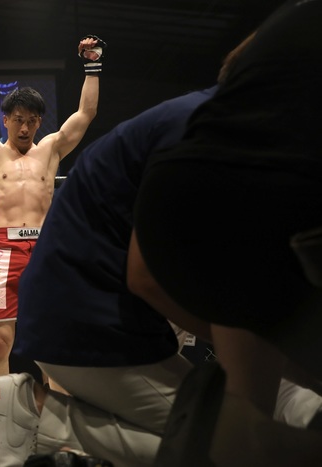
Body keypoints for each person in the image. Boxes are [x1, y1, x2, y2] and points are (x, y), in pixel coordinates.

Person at [0, 30, 322, 467]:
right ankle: (51, 421)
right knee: (232, 439)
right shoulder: (213, 131)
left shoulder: (222, 126)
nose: (24, 126)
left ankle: (56, 420)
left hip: (83, 292)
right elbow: (154, 275)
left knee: (273, 409)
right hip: (78, 301)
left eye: (31, 119)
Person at [130, 0, 322, 464]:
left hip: (170, 207)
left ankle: (242, 431)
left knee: (251, 389)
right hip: (266, 203)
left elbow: (138, 272)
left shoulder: (217, 107)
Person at [0, 34, 104, 377]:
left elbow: (87, 112)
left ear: (39, 122)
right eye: (18, 119)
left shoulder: (50, 149)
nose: (25, 127)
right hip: (4, 249)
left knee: (53, 338)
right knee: (0, 343)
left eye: (32, 120)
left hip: (45, 248)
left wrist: (92, 65)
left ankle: (54, 409)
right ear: (5, 119)